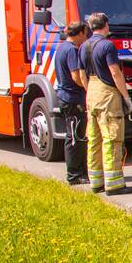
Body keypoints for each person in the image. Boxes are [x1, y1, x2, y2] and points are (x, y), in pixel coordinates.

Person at [83, 12, 132, 196]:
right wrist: (126, 97)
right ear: (105, 25)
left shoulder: (84, 46)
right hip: (107, 94)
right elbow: (115, 72)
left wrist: (89, 92)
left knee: (94, 139)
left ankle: (96, 182)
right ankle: (114, 184)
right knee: (112, 139)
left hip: (92, 91)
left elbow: (82, 75)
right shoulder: (107, 46)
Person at [54, 21, 90, 185]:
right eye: (85, 33)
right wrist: (89, 88)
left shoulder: (62, 47)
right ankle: (74, 175)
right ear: (80, 33)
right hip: (73, 99)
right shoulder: (72, 50)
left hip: (66, 97)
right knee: (75, 137)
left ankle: (80, 172)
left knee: (77, 136)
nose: (87, 36)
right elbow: (76, 76)